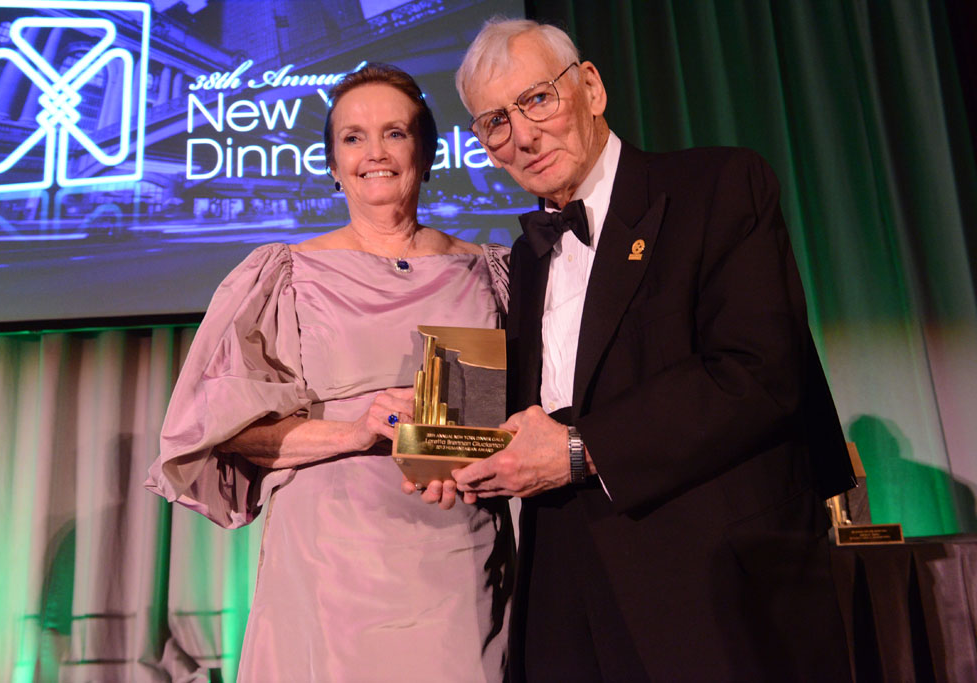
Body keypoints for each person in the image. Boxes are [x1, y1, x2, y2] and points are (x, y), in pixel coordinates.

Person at [450, 18, 856, 682]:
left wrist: (579, 449)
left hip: (706, 582)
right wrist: (449, 445)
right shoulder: (524, 257)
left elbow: (756, 372)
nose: (522, 135)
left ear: (591, 87)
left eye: (537, 100)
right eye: (495, 121)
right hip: (562, 587)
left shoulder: (717, 185)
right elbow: (540, 408)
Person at [145, 63, 512, 682]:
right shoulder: (284, 274)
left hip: (458, 543)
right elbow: (228, 431)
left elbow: (523, 408)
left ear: (427, 151)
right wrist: (354, 430)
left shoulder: (490, 271)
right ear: (333, 164)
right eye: (353, 137)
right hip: (332, 559)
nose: (376, 153)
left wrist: (485, 450)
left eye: (395, 133)